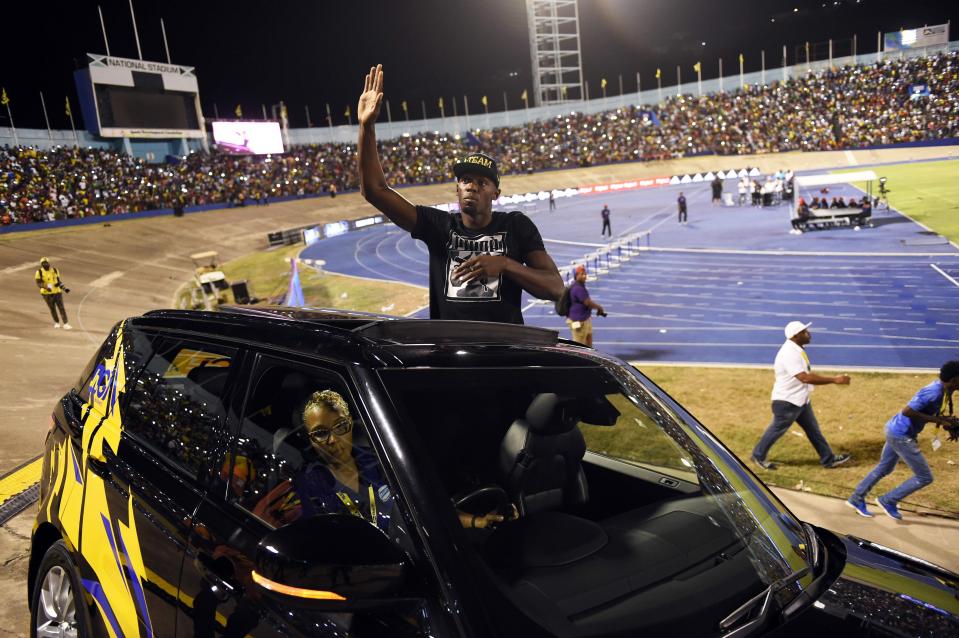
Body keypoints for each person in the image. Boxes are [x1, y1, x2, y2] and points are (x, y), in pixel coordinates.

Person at [356, 64, 563, 324]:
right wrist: (366, 126)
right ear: (457, 188)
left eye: (482, 182)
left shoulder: (516, 226)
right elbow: (374, 191)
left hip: (504, 356)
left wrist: (505, 264)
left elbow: (555, 287)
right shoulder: (438, 227)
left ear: (496, 193)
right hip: (451, 358)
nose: (472, 186)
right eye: (465, 180)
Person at [846, 361, 959, 520]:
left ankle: (856, 499)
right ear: (954, 379)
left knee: (884, 467)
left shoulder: (943, 390)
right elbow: (908, 411)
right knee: (924, 477)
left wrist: (947, 424)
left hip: (896, 429)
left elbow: (927, 413)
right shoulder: (934, 392)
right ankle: (888, 500)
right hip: (901, 435)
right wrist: (938, 421)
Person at [751, 321, 852, 470]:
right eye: (805, 332)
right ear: (796, 335)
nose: (809, 334)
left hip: (800, 400)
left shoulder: (796, 348)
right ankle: (758, 456)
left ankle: (828, 459)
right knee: (776, 430)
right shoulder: (789, 353)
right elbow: (804, 377)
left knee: (813, 430)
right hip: (787, 402)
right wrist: (835, 379)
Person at [567, 265, 606, 347]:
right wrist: (599, 307)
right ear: (576, 275)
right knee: (579, 346)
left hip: (585, 321)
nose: (584, 276)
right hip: (578, 322)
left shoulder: (580, 286)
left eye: (585, 274)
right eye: (582, 274)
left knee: (588, 342)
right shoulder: (578, 288)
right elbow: (587, 302)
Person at [35, 257, 71, 329]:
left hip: (57, 292)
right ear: (41, 264)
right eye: (43, 263)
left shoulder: (55, 270)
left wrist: (64, 288)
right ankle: (57, 323)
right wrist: (45, 287)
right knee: (52, 308)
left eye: (46, 263)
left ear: (49, 263)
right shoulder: (39, 272)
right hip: (47, 294)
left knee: (61, 308)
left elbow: (58, 281)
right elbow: (38, 283)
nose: (45, 264)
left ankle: (66, 324)